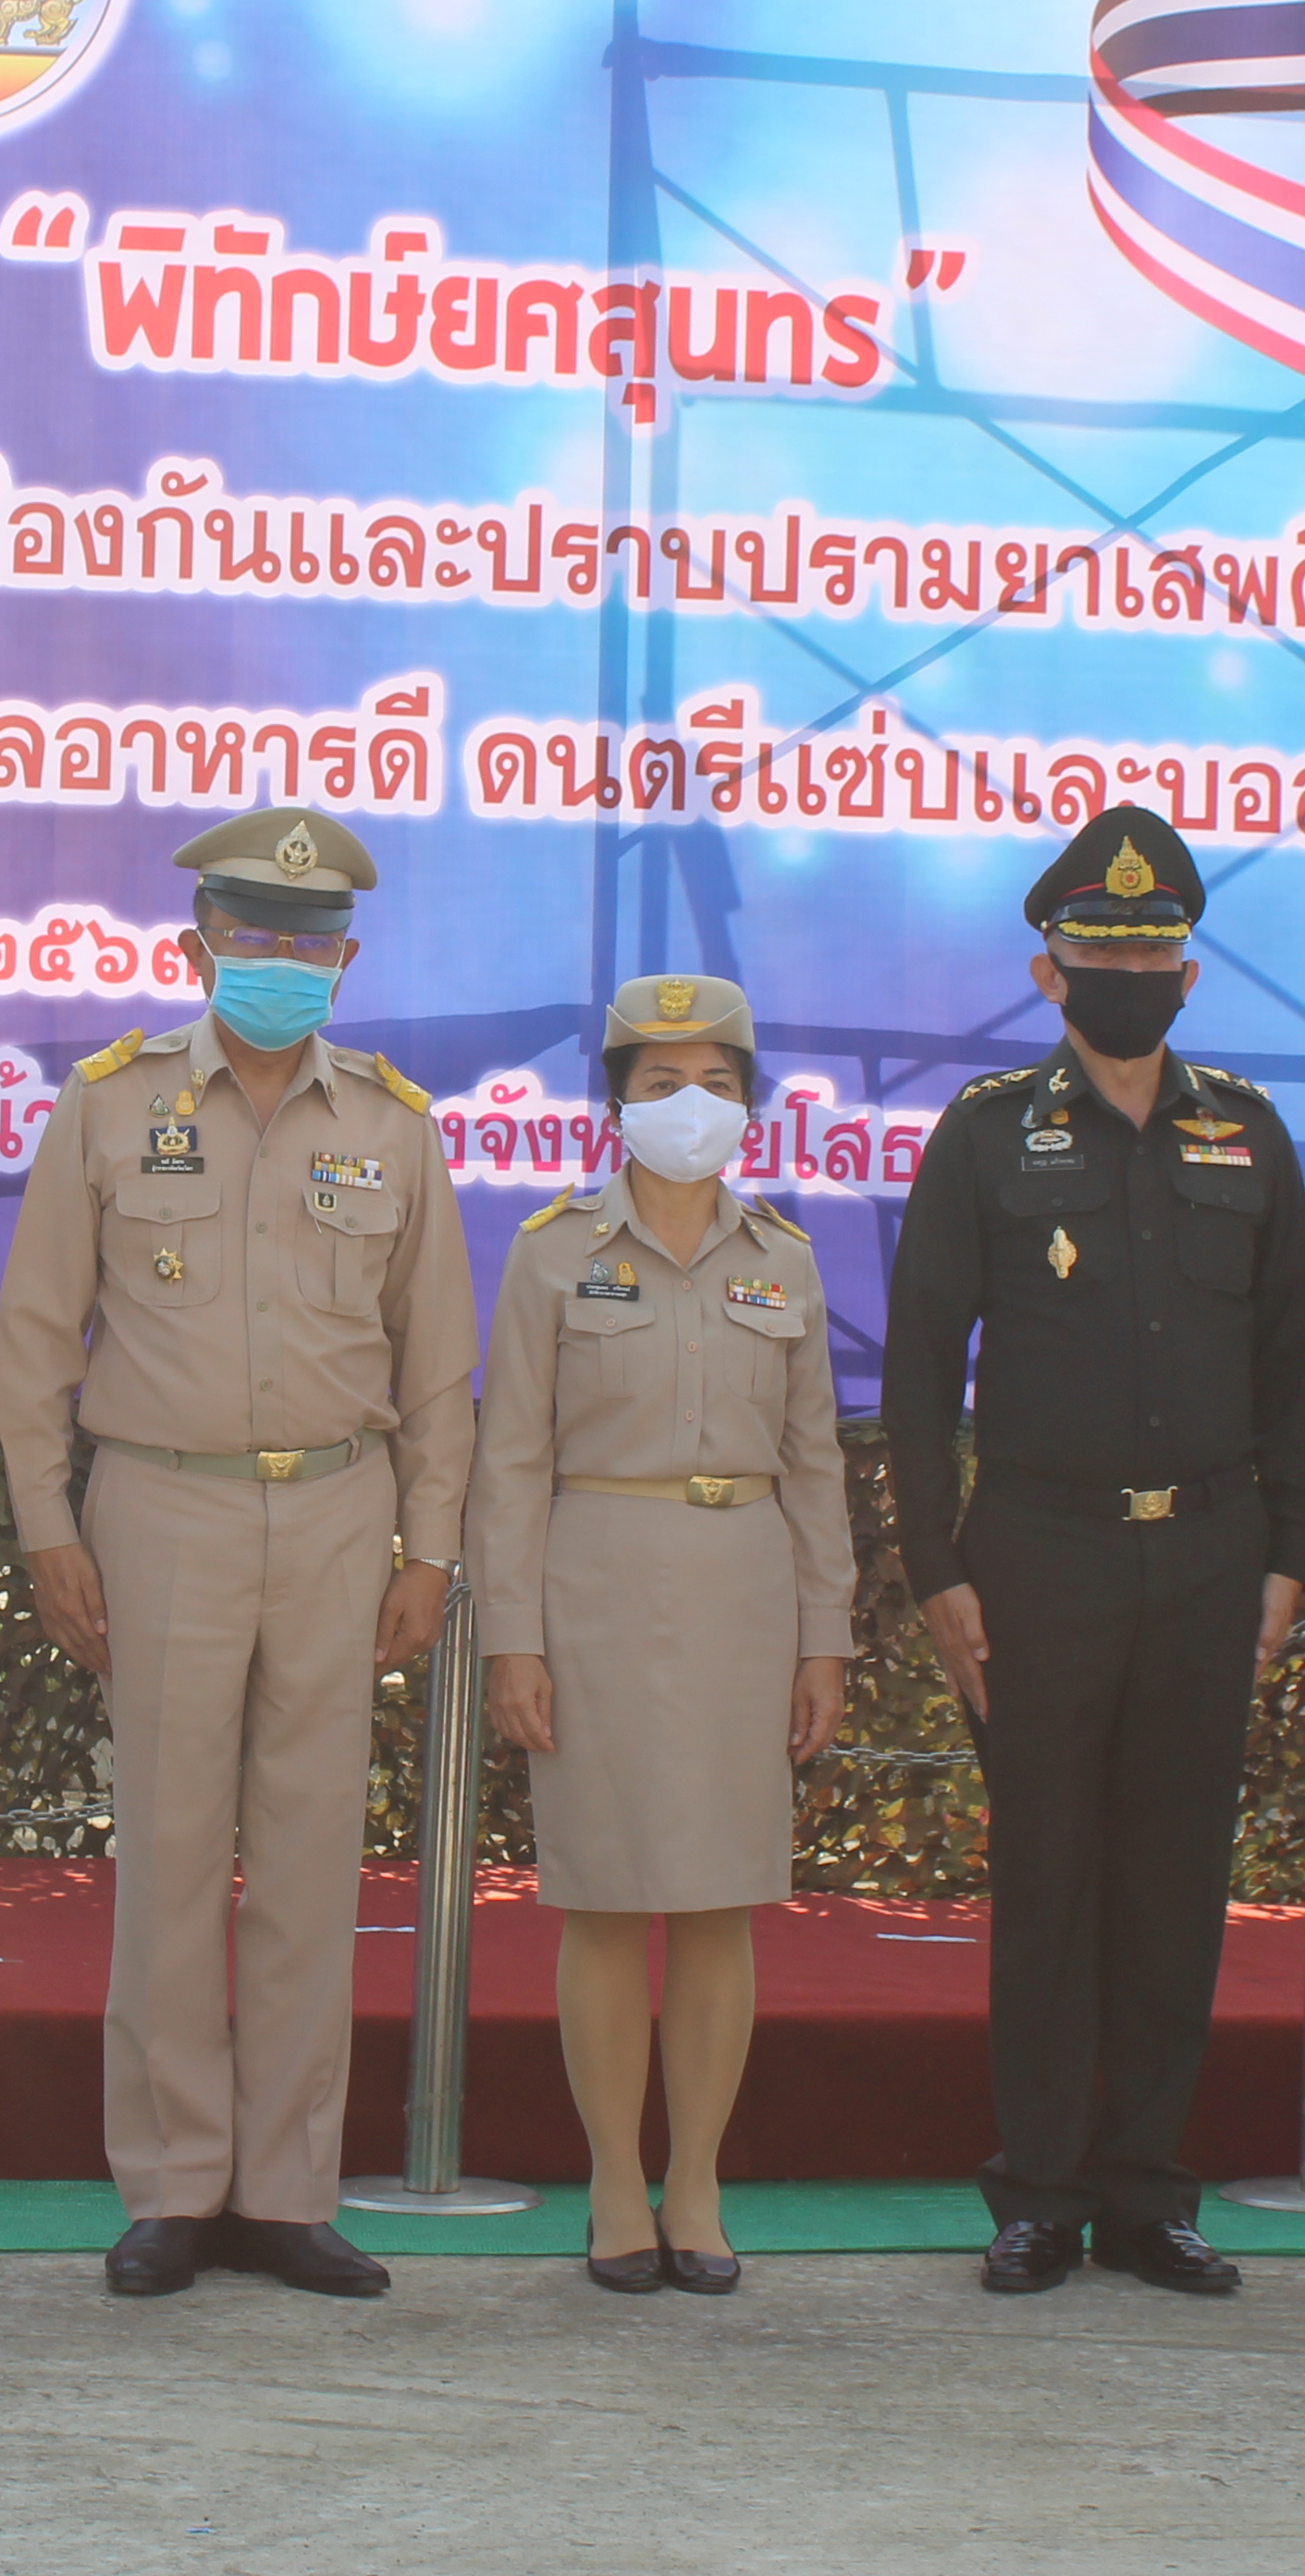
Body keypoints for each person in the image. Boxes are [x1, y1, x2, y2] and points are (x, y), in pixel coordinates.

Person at [0, 806, 477, 2300]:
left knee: (312, 1861)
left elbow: (434, 1358)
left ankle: (284, 2189)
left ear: (342, 956)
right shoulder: (107, 1103)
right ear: (198, 944)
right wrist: (47, 1526)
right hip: (160, 1502)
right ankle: (167, 2184)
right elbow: (29, 1343)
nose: (277, 961)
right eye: (250, 935)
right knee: (167, 1856)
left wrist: (430, 1548)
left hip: (339, 1509)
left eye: (304, 939)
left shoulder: (391, 1124)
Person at [879, 809, 1305, 2300]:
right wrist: (935, 1569)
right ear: (1046, 970)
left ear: (1186, 972)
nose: (1124, 968)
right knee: (1049, 1877)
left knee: (1171, 1882)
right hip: (1036, 1558)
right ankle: (1036, 2192)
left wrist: (1286, 1559)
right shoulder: (989, 1129)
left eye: (1148, 948)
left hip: (1207, 1553)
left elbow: (1291, 1363)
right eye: (1096, 950)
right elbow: (923, 1360)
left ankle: (1146, 2190)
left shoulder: (1244, 1132)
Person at [475, 974, 856, 2296]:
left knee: (717, 1903)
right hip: (596, 1590)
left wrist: (829, 1639)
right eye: (658, 1082)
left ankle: (695, 2181)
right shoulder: (550, 1253)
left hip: (746, 1591)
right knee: (599, 1896)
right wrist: (508, 1639)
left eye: (714, 1081)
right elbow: (511, 1461)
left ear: (748, 1102)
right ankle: (614, 2185)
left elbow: (816, 1468)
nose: (688, 1105)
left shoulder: (787, 1262)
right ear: (617, 1101)